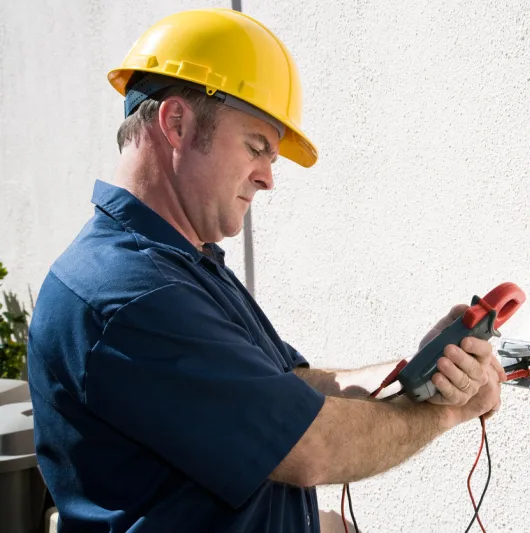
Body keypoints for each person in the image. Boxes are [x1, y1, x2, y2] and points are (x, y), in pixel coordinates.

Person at [26, 8, 504, 533]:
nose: (268, 178)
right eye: (257, 148)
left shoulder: (182, 262)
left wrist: (418, 370)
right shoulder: (126, 292)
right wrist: (446, 412)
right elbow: (309, 447)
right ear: (178, 124)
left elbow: (289, 387)